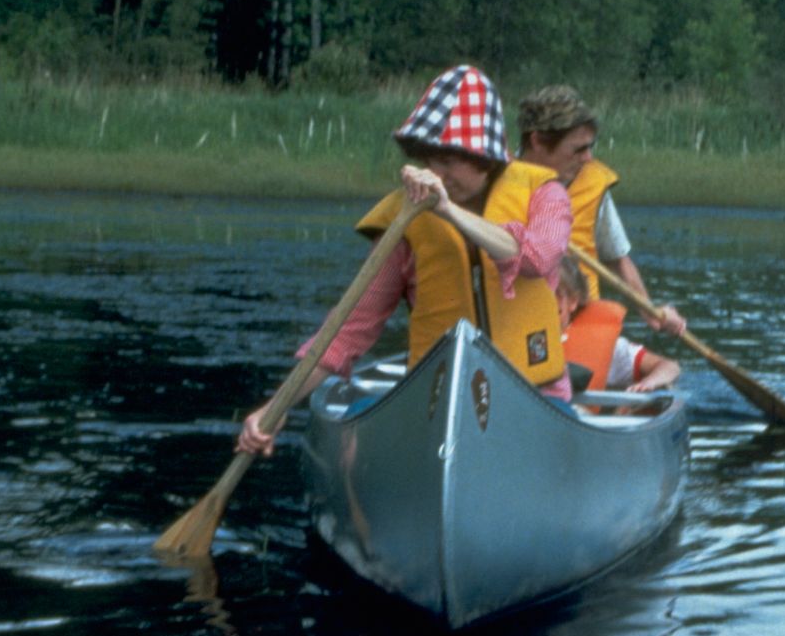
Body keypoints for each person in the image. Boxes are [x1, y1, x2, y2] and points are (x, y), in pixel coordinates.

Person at [237, 65, 574, 456]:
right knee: (357, 428)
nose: (436, 175)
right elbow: (348, 329)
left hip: (536, 397)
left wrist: (448, 212)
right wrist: (275, 406)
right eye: (429, 160)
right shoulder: (405, 217)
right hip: (440, 402)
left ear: (486, 158)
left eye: (450, 161)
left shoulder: (545, 195)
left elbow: (536, 257)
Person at [515, 85, 686, 338]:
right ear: (537, 141)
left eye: (589, 147)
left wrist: (650, 310)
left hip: (578, 320)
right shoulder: (500, 180)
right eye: (578, 149)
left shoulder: (592, 182)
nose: (587, 158)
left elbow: (617, 258)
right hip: (517, 319)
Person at [555, 258, 679, 394]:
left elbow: (670, 367)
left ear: (573, 301)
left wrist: (648, 383)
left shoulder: (608, 348)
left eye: (554, 293)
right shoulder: (529, 343)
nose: (542, 304)